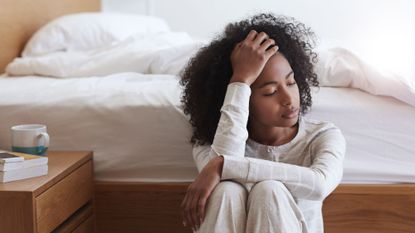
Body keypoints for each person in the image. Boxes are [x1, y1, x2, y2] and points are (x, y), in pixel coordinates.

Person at [180, 13, 346, 233]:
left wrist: (223, 165)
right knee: (226, 190)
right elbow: (223, 170)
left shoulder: (323, 135)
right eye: (270, 92)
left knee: (269, 190)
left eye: (291, 82)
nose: (289, 99)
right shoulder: (211, 140)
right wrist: (240, 80)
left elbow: (319, 185)